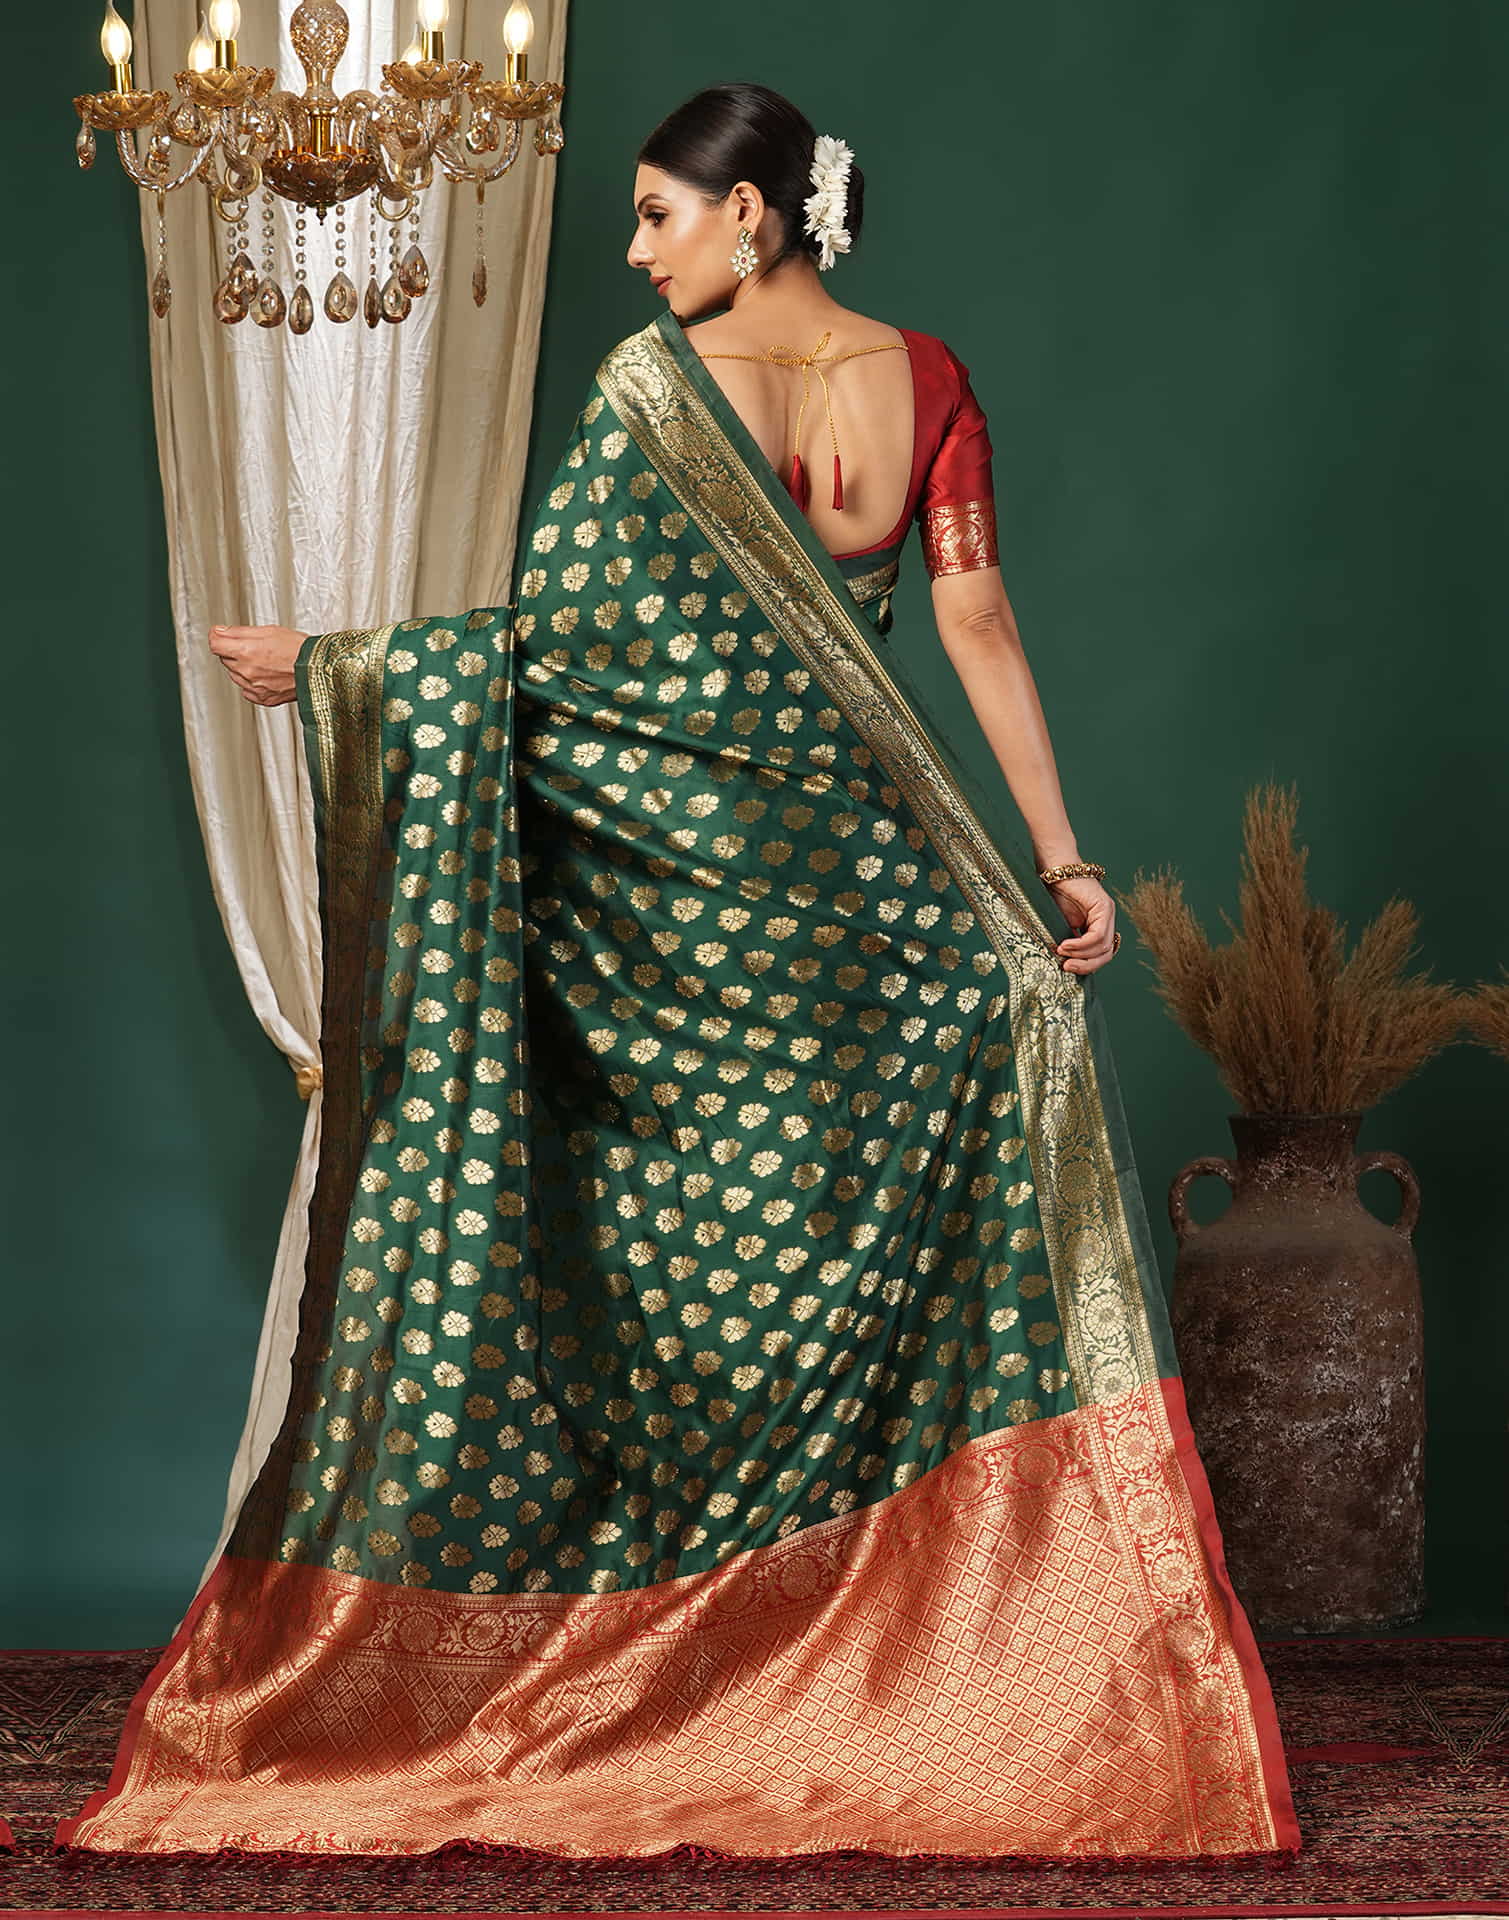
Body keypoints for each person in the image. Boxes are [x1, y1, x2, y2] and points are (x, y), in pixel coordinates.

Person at [56, 83, 1298, 1863]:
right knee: (845, 1216)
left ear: (760, 217)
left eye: (656, 215)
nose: (634, 254)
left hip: (694, 899)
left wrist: (349, 669)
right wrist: (1056, 863)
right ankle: (897, 1650)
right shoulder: (928, 381)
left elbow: (562, 657)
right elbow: (973, 622)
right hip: (873, 892)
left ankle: (733, 1646)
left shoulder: (655, 398)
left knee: (677, 1241)